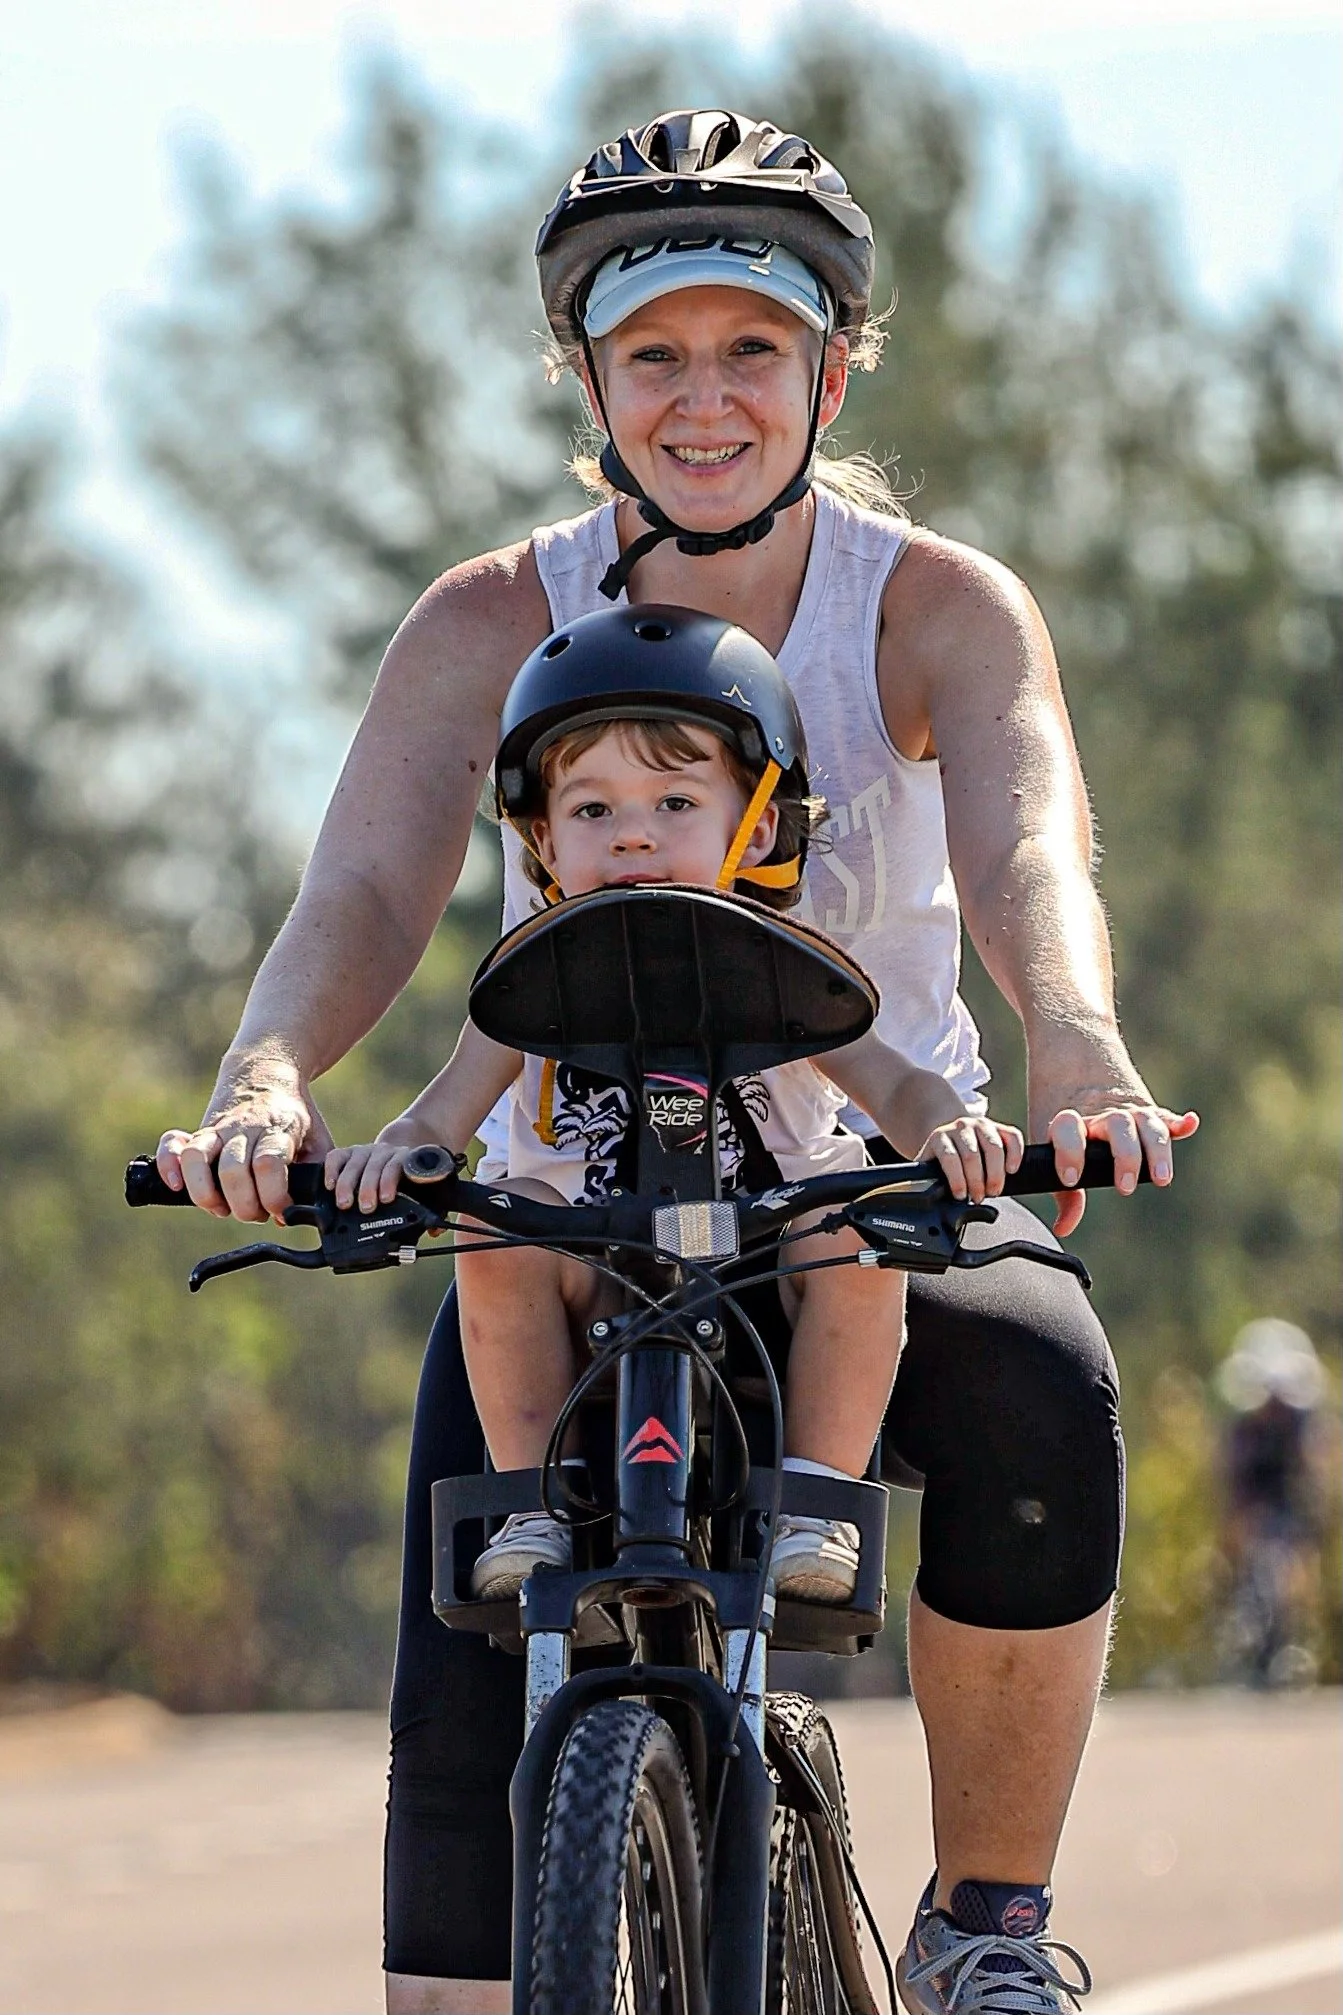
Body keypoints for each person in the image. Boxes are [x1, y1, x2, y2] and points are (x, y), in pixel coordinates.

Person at [155, 108, 1198, 2015]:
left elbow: (1026, 852)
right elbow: (375, 878)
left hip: (869, 1184)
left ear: (829, 364)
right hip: (584, 1210)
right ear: (587, 377)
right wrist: (266, 1083)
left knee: (1043, 1381)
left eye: (747, 349)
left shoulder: (930, 604)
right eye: (652, 354)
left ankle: (985, 1928)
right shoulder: (490, 616)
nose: (699, 398)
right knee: (461, 1837)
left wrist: (1074, 1049)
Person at [324, 608, 1026, 1605]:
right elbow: (438, 1116)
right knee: (493, 1232)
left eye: (676, 799)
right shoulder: (532, 981)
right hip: (592, 1260)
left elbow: (896, 1082)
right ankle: (531, 1497)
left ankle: (815, 1502)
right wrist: (390, 1157)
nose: (634, 832)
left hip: (759, 1260)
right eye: (591, 811)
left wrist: (946, 1131)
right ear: (539, 836)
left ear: (761, 820)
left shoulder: (790, 967)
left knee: (858, 1230)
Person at [1217, 1319, 1328, 1687]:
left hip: (1288, 1516)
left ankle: (1287, 1646)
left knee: (1289, 1581)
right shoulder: (1244, 1432)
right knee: (1255, 1583)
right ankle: (1252, 1651)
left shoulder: (1302, 1428)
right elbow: (1235, 1488)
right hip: (1259, 1517)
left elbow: (1313, 1482)